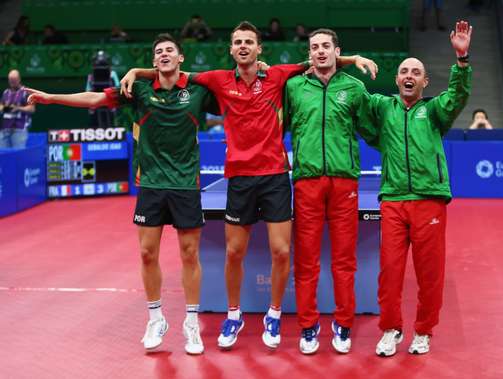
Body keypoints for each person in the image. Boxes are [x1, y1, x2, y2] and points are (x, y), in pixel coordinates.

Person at [120, 21, 377, 350]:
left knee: (282, 251)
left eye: (249, 42)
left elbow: (319, 60)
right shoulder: (216, 80)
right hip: (239, 178)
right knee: (234, 252)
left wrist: (352, 58)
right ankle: (233, 313)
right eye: (237, 42)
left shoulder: (279, 75)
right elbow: (170, 71)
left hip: (274, 176)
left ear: (259, 49)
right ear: (231, 49)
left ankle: (273, 313)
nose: (243, 46)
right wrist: (137, 72)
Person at [26, 33, 219, 355]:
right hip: (152, 183)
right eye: (159, 52)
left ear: (181, 58)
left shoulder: (198, 91)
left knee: (189, 254)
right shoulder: (138, 89)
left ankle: (190, 322)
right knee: (147, 253)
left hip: (186, 183)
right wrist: (51, 98)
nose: (164, 54)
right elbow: (95, 100)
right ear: (153, 60)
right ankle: (156, 318)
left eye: (170, 50)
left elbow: (235, 95)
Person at [371, 20, 472, 357]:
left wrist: (461, 59)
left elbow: (458, 95)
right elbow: (355, 104)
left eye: (416, 71)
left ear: (425, 81)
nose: (409, 74)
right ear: (397, 79)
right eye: (404, 70)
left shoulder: (434, 112)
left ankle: (424, 331)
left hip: (429, 200)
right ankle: (390, 329)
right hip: (394, 200)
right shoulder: (384, 109)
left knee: (430, 273)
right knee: (390, 272)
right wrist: (346, 61)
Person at [284, 28, 377, 355]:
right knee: (306, 260)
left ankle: (343, 323)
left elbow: (371, 131)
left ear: (337, 50)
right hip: (307, 181)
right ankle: (308, 326)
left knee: (344, 260)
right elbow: (274, 125)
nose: (320, 52)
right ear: (309, 53)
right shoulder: (294, 87)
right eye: (314, 48)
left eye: (326, 46)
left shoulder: (354, 88)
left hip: (344, 183)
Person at [0, 70, 34, 148]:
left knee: (17, 155)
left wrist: (18, 108)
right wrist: (5, 108)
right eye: (10, 81)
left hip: (19, 129)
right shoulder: (6, 92)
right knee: (3, 155)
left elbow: (32, 109)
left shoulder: (26, 91)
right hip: (5, 129)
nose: (12, 83)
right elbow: (1, 106)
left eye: (14, 80)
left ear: (19, 79)